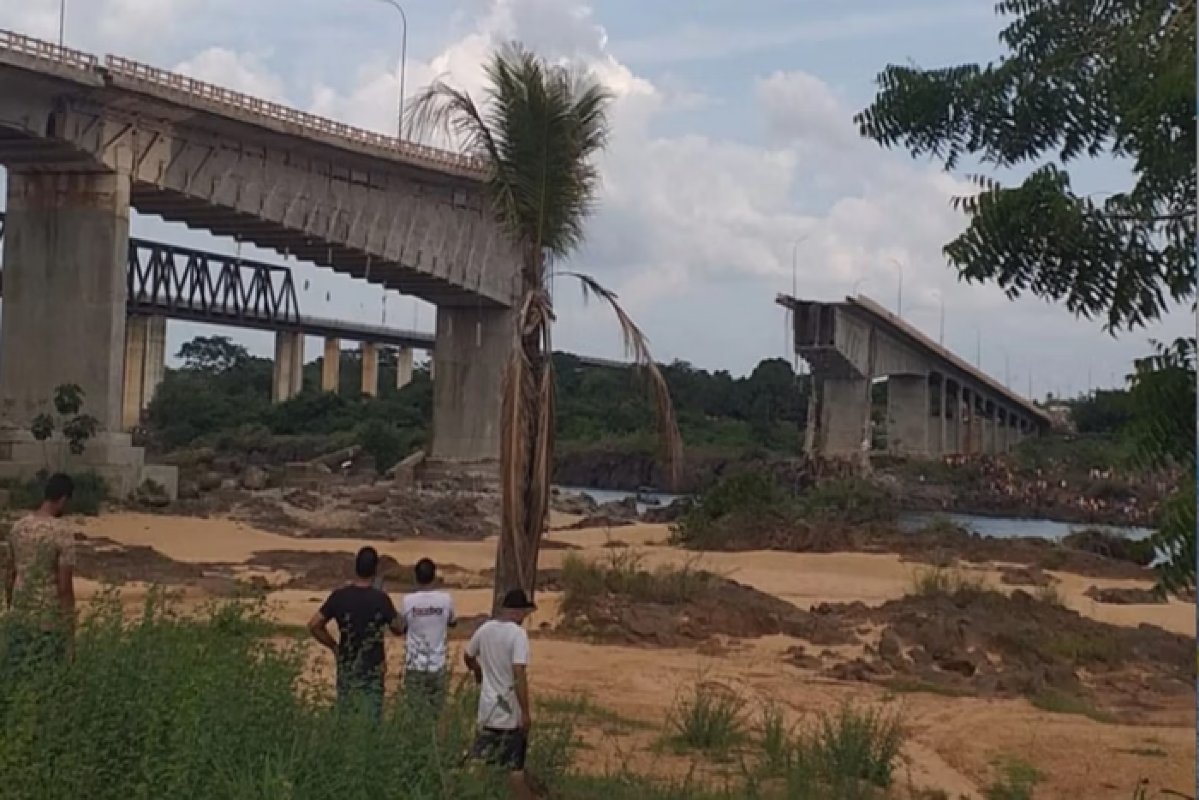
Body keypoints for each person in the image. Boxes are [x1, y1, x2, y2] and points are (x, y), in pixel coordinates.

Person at [307, 546, 401, 718]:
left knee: (346, 715)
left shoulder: (339, 596)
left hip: (347, 664)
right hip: (373, 667)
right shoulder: (380, 599)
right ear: (375, 569)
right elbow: (398, 628)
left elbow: (314, 624)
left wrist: (334, 647)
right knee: (371, 720)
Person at [464, 588, 537, 800]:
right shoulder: (518, 635)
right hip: (509, 714)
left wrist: (478, 671)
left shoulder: (485, 629)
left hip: (487, 710)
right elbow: (518, 672)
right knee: (515, 770)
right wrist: (525, 712)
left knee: (480, 765)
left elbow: (468, 656)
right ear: (519, 612)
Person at [3, 473, 77, 668]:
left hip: (20, 616)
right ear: (63, 499)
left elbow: (9, 574)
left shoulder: (18, 528)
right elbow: (64, 589)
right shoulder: (62, 533)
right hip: (47, 622)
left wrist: (12, 607)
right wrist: (69, 631)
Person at [400, 557, 456, 710]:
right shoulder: (446, 600)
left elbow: (401, 626)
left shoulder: (408, 601)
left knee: (414, 710)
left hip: (415, 664)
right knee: (436, 711)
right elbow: (452, 621)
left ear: (416, 577)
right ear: (434, 576)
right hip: (437, 664)